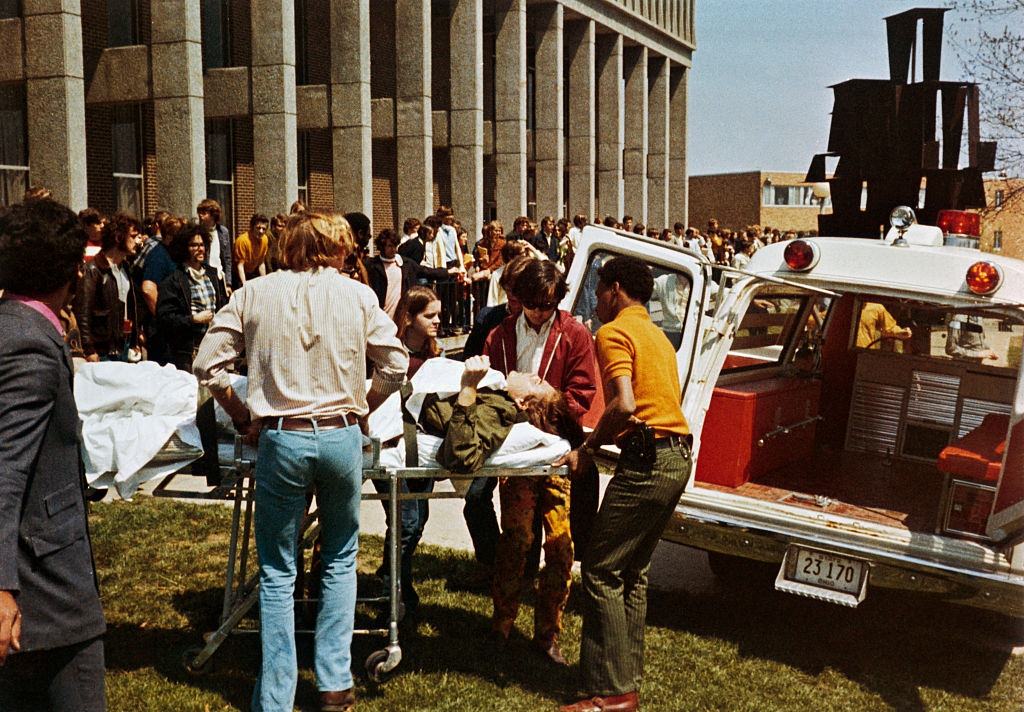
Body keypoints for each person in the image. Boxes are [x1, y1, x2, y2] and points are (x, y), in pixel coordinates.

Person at [193, 212, 407, 712]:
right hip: (339, 438)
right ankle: (334, 680)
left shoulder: (254, 293)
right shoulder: (358, 295)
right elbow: (396, 364)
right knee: (340, 557)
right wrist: (362, 405)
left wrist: (241, 413)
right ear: (333, 250)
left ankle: (275, 695)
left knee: (278, 568)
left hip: (283, 437)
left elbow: (207, 363)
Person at [556, 256, 692, 712]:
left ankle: (607, 694)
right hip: (677, 457)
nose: (595, 300)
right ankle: (624, 685)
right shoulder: (657, 335)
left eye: (598, 290)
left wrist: (588, 449)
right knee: (631, 573)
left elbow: (625, 405)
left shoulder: (613, 332)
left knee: (600, 569)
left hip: (648, 459)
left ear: (615, 289)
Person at [0, 198, 107, 712]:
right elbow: (6, 469)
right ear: (72, 270)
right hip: (44, 589)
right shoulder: (31, 345)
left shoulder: (15, 326)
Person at [482, 260, 597, 663]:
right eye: (531, 305)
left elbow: (584, 393)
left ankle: (548, 633)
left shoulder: (575, 334)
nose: (537, 313)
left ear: (557, 301)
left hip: (558, 453)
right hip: (515, 451)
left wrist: (550, 399)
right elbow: (487, 390)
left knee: (560, 544)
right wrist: (506, 400)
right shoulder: (499, 335)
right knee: (515, 539)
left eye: (545, 307)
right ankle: (502, 625)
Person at [369, 286, 443, 615]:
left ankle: (393, 574)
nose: (437, 321)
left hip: (421, 447)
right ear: (410, 318)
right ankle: (394, 587)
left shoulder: (434, 356)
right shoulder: (389, 355)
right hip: (389, 446)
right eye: (430, 315)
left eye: (439, 314)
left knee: (418, 519)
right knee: (406, 521)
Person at [155, 223, 228, 372]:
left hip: (213, 349)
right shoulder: (174, 280)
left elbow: (223, 308)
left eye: (202, 245)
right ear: (184, 248)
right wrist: (193, 319)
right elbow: (165, 318)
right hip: (187, 353)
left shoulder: (213, 275)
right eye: (194, 245)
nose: (200, 249)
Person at [73, 212, 142, 362]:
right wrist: (88, 349)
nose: (138, 240)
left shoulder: (125, 268)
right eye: (133, 236)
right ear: (118, 238)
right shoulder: (93, 270)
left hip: (124, 346)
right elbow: (82, 312)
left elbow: (130, 308)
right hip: (102, 351)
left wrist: (135, 340)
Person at [366, 229, 452, 320]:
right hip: (381, 315)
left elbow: (426, 271)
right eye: (390, 246)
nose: (393, 249)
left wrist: (448, 272)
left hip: (401, 315)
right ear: (382, 246)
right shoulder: (372, 265)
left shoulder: (405, 264)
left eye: (395, 246)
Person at [196, 199, 233, 293]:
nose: (200, 215)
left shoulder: (223, 232)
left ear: (213, 215)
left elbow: (227, 258)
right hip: (203, 277)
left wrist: (228, 283)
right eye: (199, 212)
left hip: (220, 277)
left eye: (204, 213)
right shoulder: (197, 232)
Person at [233, 214, 270, 286]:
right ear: (252, 227)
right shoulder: (242, 241)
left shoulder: (265, 239)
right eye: (258, 228)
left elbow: (261, 263)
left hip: (251, 272)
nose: (261, 231)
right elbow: (240, 266)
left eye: (264, 229)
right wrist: (244, 285)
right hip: (238, 274)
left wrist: (264, 282)